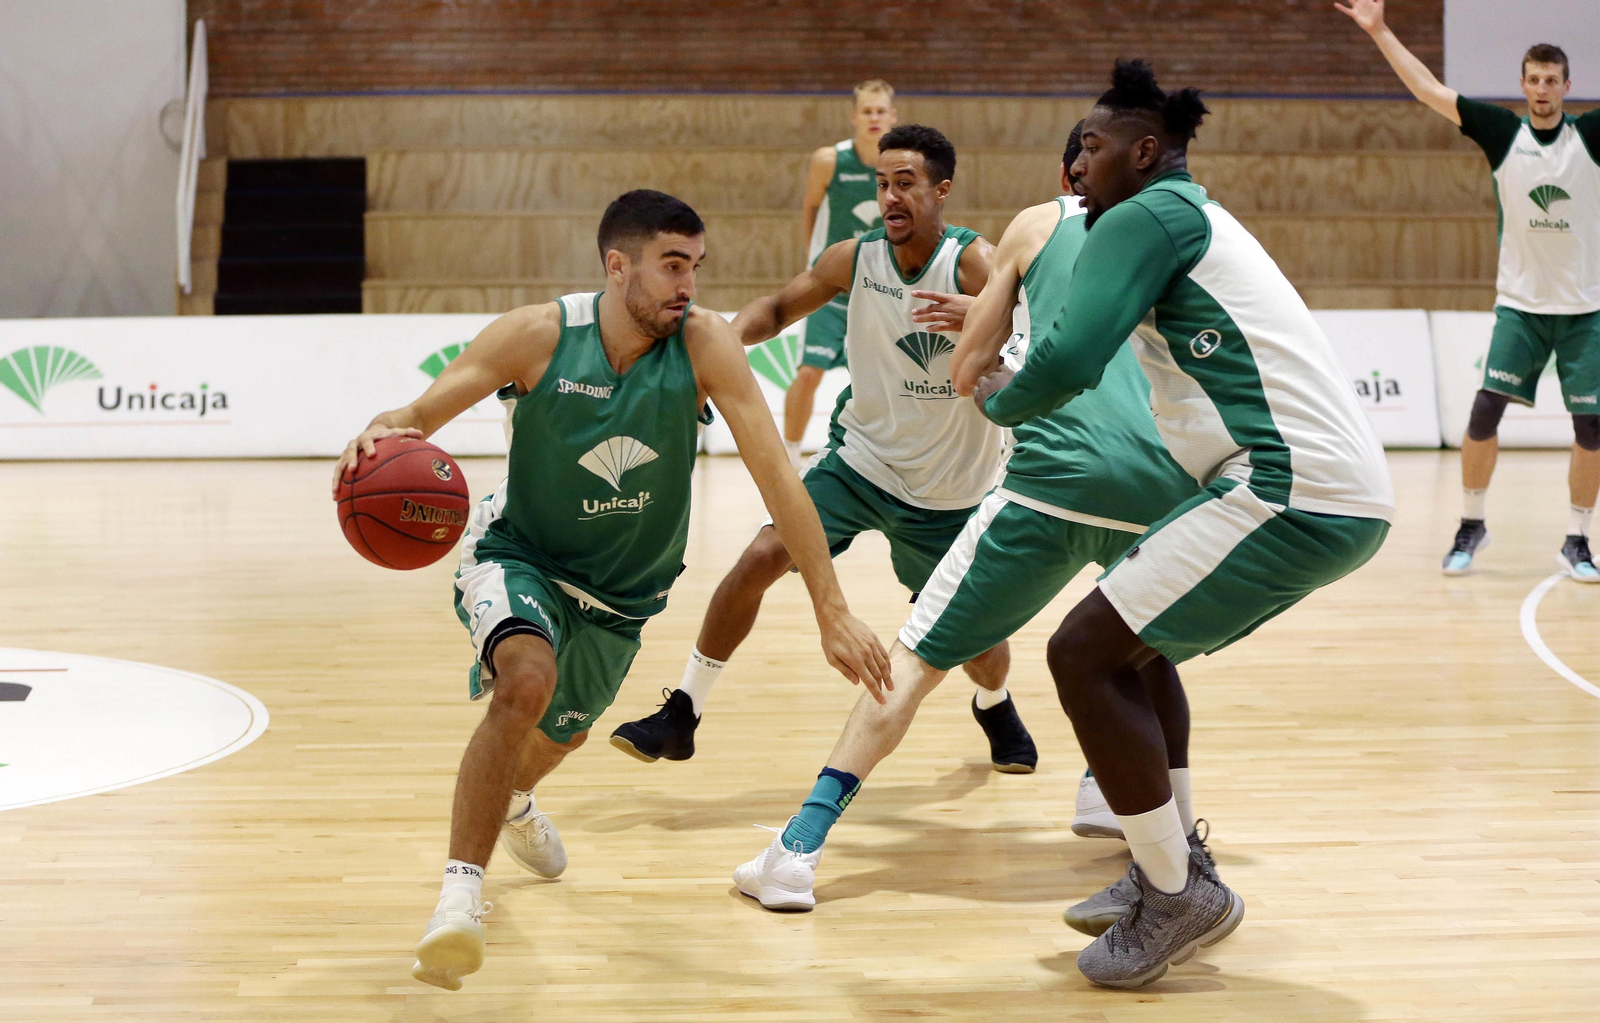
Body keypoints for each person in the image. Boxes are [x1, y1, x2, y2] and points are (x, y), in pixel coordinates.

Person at [331, 189, 890, 992]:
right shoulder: (539, 335)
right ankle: (458, 898)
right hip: (520, 553)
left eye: (696, 267)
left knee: (559, 736)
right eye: (671, 266)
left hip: (624, 598)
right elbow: (416, 414)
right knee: (524, 680)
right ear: (616, 265)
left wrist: (830, 605)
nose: (688, 285)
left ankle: (516, 795)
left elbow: (779, 476)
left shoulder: (706, 346)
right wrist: (378, 433)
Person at [971, 60, 1393, 988]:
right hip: (1315, 485)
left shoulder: (1148, 215)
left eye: (1090, 145)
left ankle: (1177, 894)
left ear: (1146, 152)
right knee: (1134, 648)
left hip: (1292, 485)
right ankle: (1174, 863)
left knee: (1080, 655)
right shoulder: (1179, 219)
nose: (1073, 164)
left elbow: (1068, 357)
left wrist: (997, 397)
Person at [731, 122, 1214, 924]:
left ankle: (794, 853)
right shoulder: (1166, 237)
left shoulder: (1031, 227)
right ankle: (1168, 841)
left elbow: (967, 378)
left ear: (1068, 172)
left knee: (914, 660)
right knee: (1137, 644)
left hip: (1056, 477)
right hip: (1156, 478)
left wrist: (986, 351)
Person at [609, 125, 1039, 783]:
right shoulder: (854, 257)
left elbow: (1039, 334)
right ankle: (684, 711)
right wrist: (714, 345)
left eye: (907, 183)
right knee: (759, 556)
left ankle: (994, 701)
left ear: (941, 190)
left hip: (951, 492)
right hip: (862, 463)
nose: (891, 196)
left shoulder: (976, 262)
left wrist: (991, 319)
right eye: (883, 183)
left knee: (983, 649)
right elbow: (780, 306)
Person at [1339, 0, 1600, 580]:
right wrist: (1379, 30)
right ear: (1523, 84)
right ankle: (1471, 523)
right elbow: (1429, 90)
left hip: (1586, 312)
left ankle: (1578, 539)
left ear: (1566, 86)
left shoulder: (1591, 138)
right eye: (1533, 80)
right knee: (1484, 414)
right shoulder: (1503, 133)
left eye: (1551, 81)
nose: (1541, 89)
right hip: (1520, 308)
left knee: (1592, 428)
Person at [784, 80, 899, 466]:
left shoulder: (900, 164)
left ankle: (880, 456)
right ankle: (789, 456)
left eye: (881, 111)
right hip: (831, 289)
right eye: (867, 111)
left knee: (883, 380)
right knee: (808, 373)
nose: (874, 117)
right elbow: (811, 208)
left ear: (893, 117)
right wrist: (817, 261)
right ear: (853, 116)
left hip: (878, 289)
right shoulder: (828, 160)